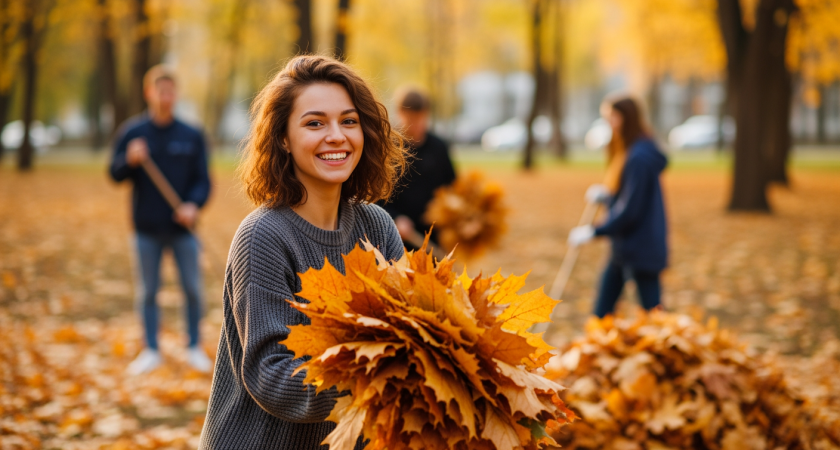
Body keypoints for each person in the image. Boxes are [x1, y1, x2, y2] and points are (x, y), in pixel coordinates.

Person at [199, 55, 407, 450]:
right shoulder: (263, 236)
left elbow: (410, 334)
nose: (337, 136)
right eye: (315, 123)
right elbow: (271, 376)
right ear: (282, 138)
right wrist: (374, 384)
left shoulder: (377, 227)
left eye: (348, 121)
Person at [109, 65, 213, 375]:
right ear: (149, 93)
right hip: (146, 230)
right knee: (148, 291)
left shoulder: (191, 135)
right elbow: (114, 174)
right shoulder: (132, 133)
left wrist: (193, 205)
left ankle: (193, 346)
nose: (166, 97)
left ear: (175, 94)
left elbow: (203, 180)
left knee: (192, 289)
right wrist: (129, 159)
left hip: (183, 229)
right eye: (160, 91)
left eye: (170, 91)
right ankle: (151, 349)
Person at [567, 95, 668, 318]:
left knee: (655, 316)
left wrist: (594, 231)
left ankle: (671, 350)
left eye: (613, 117)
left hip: (641, 248)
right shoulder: (629, 151)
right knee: (603, 312)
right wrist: (606, 197)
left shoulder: (639, 157)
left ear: (627, 118)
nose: (609, 123)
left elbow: (631, 210)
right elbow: (626, 196)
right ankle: (594, 350)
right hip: (624, 248)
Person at [380, 87, 456, 249]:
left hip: (435, 238)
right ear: (400, 114)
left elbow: (452, 186)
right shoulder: (388, 148)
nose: (417, 126)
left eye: (421, 119)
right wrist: (394, 218)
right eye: (411, 120)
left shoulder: (439, 147)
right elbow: (375, 195)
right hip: (398, 239)